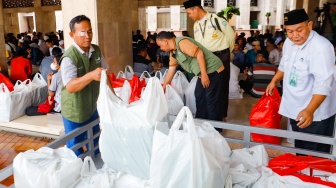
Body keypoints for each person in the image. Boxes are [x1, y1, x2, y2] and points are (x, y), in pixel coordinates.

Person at [266, 9, 336, 154]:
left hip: (315, 113)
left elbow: (324, 83)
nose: (295, 35)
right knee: (300, 148)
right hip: (296, 107)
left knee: (315, 154)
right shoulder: (288, 43)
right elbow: (284, 66)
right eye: (289, 31)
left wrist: (310, 110)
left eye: (299, 30)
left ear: (309, 25)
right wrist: (274, 81)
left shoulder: (320, 48)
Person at [60, 15, 112, 156]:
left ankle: (96, 170)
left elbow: (105, 74)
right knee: (75, 148)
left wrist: (114, 98)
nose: (87, 36)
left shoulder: (96, 50)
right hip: (74, 111)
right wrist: (90, 75)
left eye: (89, 31)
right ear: (72, 34)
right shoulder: (69, 58)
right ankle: (79, 172)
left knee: (95, 141)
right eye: (82, 32)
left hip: (92, 107)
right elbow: (70, 86)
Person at [156, 31, 225, 129]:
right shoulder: (173, 53)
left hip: (213, 71)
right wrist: (164, 86)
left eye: (160, 45)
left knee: (211, 100)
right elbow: (171, 69)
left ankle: (215, 130)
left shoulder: (181, 42)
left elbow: (199, 53)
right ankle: (201, 126)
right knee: (199, 96)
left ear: (165, 41)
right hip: (203, 74)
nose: (161, 48)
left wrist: (204, 74)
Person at [183, 0, 235, 122]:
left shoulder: (216, 19)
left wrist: (225, 52)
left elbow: (231, 36)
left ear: (196, 8)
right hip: (205, 59)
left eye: (189, 13)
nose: (189, 16)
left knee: (221, 88)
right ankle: (205, 118)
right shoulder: (196, 25)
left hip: (221, 57)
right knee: (204, 89)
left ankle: (221, 116)